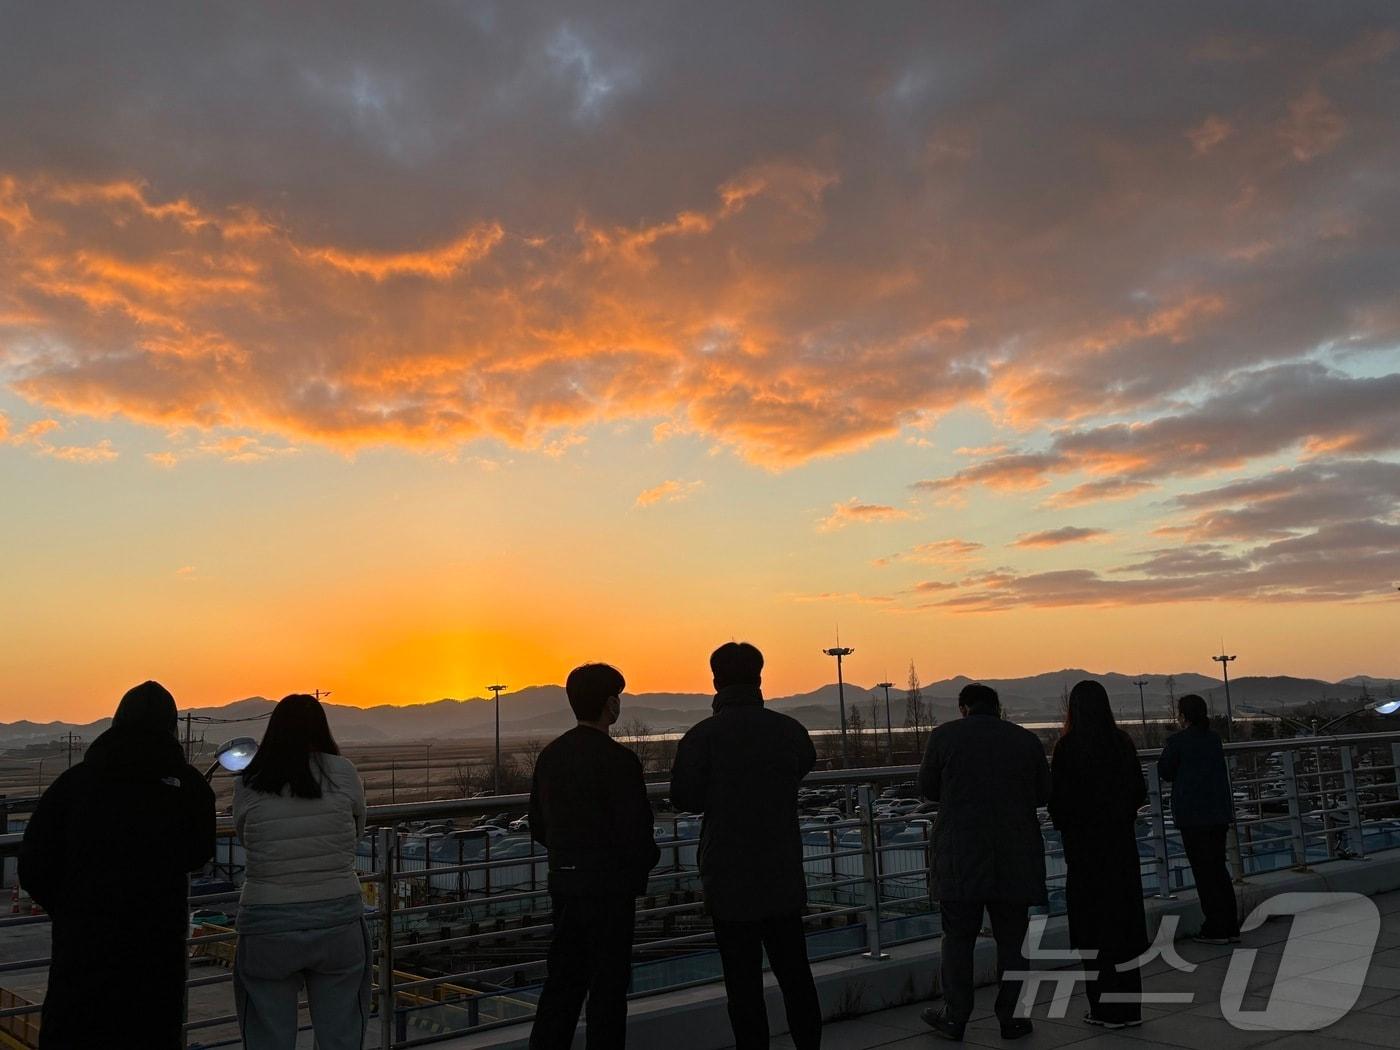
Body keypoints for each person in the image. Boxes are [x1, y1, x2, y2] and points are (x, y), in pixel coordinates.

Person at [18, 680, 216, 1050]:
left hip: (83, 953)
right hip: (155, 955)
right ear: (171, 727)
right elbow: (198, 851)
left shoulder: (74, 784)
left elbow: (33, 864)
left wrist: (70, 909)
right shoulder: (185, 787)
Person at [669, 642, 821, 1050]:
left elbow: (683, 795)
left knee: (742, 982)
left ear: (716, 680)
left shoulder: (701, 738)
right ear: (760, 677)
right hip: (782, 869)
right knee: (796, 974)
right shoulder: (789, 731)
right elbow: (802, 765)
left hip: (728, 874)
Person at [528, 663, 660, 1049]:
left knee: (561, 988)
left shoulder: (551, 756)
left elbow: (539, 825)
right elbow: (638, 831)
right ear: (608, 705)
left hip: (566, 885)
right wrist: (642, 863)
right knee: (607, 993)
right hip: (612, 892)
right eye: (616, 696)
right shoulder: (620, 761)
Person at [233, 694, 369, 1050]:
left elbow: (247, 840)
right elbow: (356, 832)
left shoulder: (251, 779)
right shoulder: (343, 772)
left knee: (267, 1036)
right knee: (342, 1033)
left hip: (267, 921)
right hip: (337, 917)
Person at [918, 682, 1049, 1042]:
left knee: (958, 938)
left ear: (964, 708)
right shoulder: (1025, 740)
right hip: (1015, 852)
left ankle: (955, 1016)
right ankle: (1012, 1017)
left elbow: (928, 789)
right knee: (1013, 940)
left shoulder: (944, 737)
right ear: (998, 707)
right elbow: (1042, 793)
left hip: (960, 852)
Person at [1049, 680, 1149, 1029]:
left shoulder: (1067, 748)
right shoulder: (1121, 743)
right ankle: (1130, 1007)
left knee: (1093, 929)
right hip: (1121, 849)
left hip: (1085, 854)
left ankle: (1104, 1007)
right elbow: (1139, 791)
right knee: (1124, 926)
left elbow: (1057, 804)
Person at [1158, 694, 1239, 944]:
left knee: (1204, 873)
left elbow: (1165, 771)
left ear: (1183, 716)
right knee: (1218, 868)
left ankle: (1215, 927)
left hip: (1193, 816)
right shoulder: (1213, 740)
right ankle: (1230, 925)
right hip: (1218, 813)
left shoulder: (1178, 742)